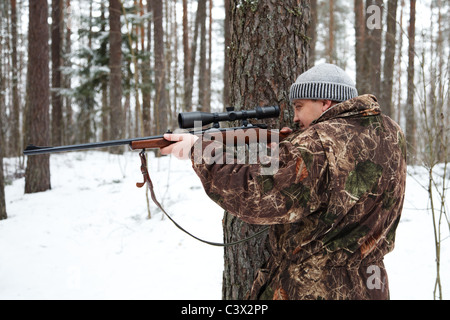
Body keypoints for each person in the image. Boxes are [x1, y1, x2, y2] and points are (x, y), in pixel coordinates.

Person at [161, 63, 407, 300]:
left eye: (299, 106)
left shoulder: (316, 143)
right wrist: (286, 154)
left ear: (325, 103)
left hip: (316, 288)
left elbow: (254, 195)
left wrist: (201, 151)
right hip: (372, 284)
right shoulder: (390, 131)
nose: (296, 117)